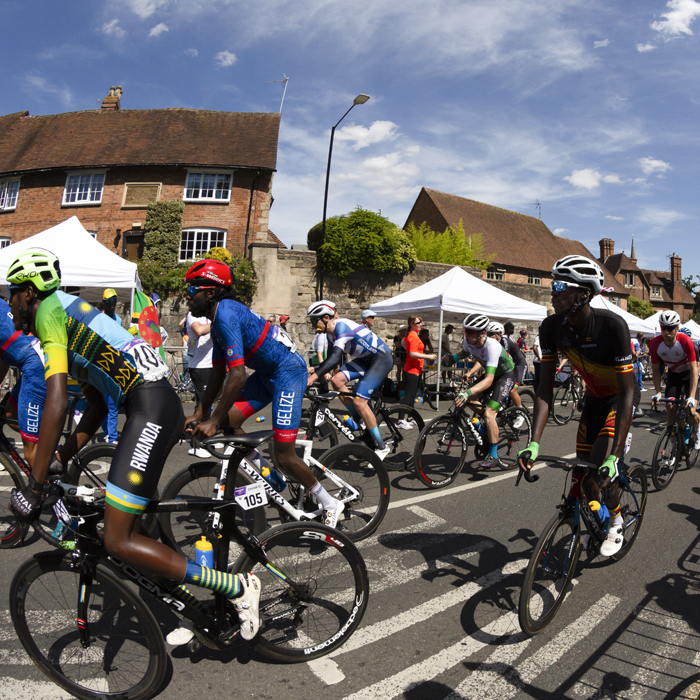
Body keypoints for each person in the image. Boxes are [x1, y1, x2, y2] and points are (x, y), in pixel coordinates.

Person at [7, 249, 261, 642]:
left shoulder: (48, 312)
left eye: (11, 294)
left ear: (27, 293)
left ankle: (237, 587)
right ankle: (188, 610)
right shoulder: (67, 314)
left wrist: (36, 485)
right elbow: (92, 405)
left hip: (150, 407)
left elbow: (57, 404)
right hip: (148, 405)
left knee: (116, 538)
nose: (8, 304)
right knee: (133, 529)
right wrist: (60, 458)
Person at [184, 263, 346, 531]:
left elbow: (236, 377)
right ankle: (273, 479)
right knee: (227, 422)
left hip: (287, 373)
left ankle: (330, 503)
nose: (187, 296)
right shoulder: (217, 324)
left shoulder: (225, 316)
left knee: (284, 456)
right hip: (266, 373)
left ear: (211, 293)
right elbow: (216, 376)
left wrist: (210, 420)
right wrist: (200, 415)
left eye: (192, 289)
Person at [518, 254, 635, 557]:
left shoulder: (613, 326)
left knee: (599, 474)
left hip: (615, 405)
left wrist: (617, 450)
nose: (553, 292)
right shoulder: (551, 328)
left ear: (583, 294)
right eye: (552, 285)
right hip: (592, 405)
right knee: (581, 480)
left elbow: (626, 394)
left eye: (560, 286)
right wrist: (533, 441)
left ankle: (617, 519)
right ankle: (596, 518)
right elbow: (543, 389)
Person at [306, 300, 394, 453]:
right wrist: (310, 369)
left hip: (381, 358)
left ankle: (381, 446)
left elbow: (334, 359)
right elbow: (332, 360)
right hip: (366, 361)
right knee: (336, 380)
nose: (313, 326)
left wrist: (312, 378)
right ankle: (361, 422)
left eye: (314, 321)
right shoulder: (330, 335)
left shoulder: (342, 326)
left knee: (360, 403)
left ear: (326, 318)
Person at [447, 313, 517, 469]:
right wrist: (453, 358)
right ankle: (487, 424)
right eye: (465, 330)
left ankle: (493, 455)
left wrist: (467, 392)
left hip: (505, 375)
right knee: (470, 399)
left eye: (471, 332)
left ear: (482, 334)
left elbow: (489, 380)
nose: (466, 334)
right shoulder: (468, 341)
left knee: (489, 412)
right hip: (492, 375)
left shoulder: (492, 346)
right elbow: (465, 352)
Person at [0, 296, 46, 467]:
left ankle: (47, 491)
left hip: (35, 367)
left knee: (31, 453)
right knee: (10, 414)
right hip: (32, 362)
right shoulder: (2, 305)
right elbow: (4, 357)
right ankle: (48, 447)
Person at [650, 313, 699, 452]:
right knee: (670, 409)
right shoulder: (654, 344)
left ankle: (697, 427)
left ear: (677, 328)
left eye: (670, 328)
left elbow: (694, 370)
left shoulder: (685, 341)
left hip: (688, 375)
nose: (667, 331)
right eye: (664, 327)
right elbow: (655, 370)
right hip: (673, 376)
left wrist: (691, 396)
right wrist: (658, 392)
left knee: (691, 411)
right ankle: (673, 447)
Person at [487, 321, 526, 428]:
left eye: (491, 334)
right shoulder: (491, 342)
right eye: (487, 334)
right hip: (510, 365)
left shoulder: (504, 340)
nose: (488, 337)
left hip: (519, 364)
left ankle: (521, 413)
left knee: (512, 390)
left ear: (498, 334)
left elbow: (506, 359)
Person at [185, 311, 213, 457]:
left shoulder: (208, 316)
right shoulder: (193, 315)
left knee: (208, 402)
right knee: (202, 404)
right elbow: (199, 330)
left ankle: (206, 439)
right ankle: (195, 444)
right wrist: (217, 323)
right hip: (199, 366)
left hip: (210, 365)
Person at [400, 316, 437, 421]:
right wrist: (428, 356)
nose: (421, 324)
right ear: (412, 324)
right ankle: (400, 419)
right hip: (412, 369)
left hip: (415, 369)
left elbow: (404, 343)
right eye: (418, 323)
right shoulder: (413, 336)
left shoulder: (412, 335)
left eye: (421, 322)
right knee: (408, 395)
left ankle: (410, 418)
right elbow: (412, 353)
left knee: (411, 395)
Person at [100, 288, 120, 444]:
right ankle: (107, 432)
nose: (113, 305)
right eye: (110, 302)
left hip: (113, 365)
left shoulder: (118, 320)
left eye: (115, 301)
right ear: (103, 302)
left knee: (113, 405)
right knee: (101, 405)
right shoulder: (97, 318)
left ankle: (112, 437)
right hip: (99, 367)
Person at [532, 325, 542, 392]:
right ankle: (537, 392)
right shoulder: (538, 338)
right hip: (538, 361)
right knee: (538, 379)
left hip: (540, 361)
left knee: (540, 378)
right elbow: (534, 347)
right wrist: (539, 358)